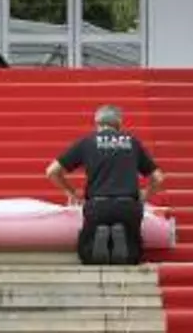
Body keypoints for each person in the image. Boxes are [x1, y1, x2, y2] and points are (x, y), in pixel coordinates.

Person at [44, 105, 165, 265]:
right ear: (119, 123)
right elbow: (158, 178)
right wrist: (145, 194)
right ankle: (124, 243)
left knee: (86, 253)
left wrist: (71, 192)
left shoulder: (87, 142)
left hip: (98, 206)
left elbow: (51, 171)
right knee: (133, 253)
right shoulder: (132, 142)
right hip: (127, 205)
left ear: (97, 122)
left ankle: (95, 244)